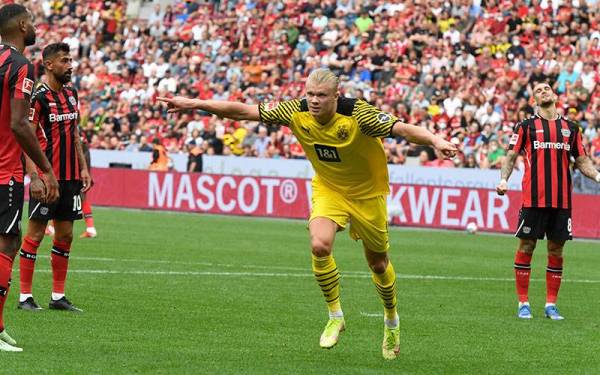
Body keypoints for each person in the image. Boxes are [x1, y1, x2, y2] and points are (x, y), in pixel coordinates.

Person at [158, 68, 457, 360]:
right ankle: (335, 315)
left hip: (368, 195)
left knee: (378, 264)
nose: (314, 100)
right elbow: (243, 111)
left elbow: (403, 129)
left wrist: (435, 140)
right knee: (319, 244)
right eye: (310, 94)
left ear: (336, 96)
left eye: (321, 95)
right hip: (329, 189)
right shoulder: (294, 111)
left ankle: (391, 321)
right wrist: (195, 104)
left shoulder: (358, 114)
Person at [496, 82, 600, 320]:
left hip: (561, 200)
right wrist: (503, 180)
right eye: (538, 91)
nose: (543, 92)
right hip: (533, 199)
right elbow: (511, 156)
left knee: (556, 249)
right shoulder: (525, 126)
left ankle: (550, 305)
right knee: (527, 246)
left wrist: (597, 175)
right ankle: (523, 302)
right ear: (535, 100)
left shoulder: (571, 128)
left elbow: (581, 160)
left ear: (554, 95)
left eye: (546, 89)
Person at [0, 3, 60, 352]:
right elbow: (19, 123)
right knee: (7, 243)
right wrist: (45, 170)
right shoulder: (20, 65)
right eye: (33, 22)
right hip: (4, 170)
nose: (35, 27)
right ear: (22, 25)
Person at [18, 43, 91, 313]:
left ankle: (57, 295)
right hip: (48, 178)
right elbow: (27, 139)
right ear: (49, 64)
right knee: (35, 233)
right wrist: (34, 177)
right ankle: (25, 296)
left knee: (66, 234)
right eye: (64, 60)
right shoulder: (38, 97)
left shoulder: (71, 94)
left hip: (71, 177)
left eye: (71, 60)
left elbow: (74, 134)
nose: (70, 65)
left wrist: (83, 168)